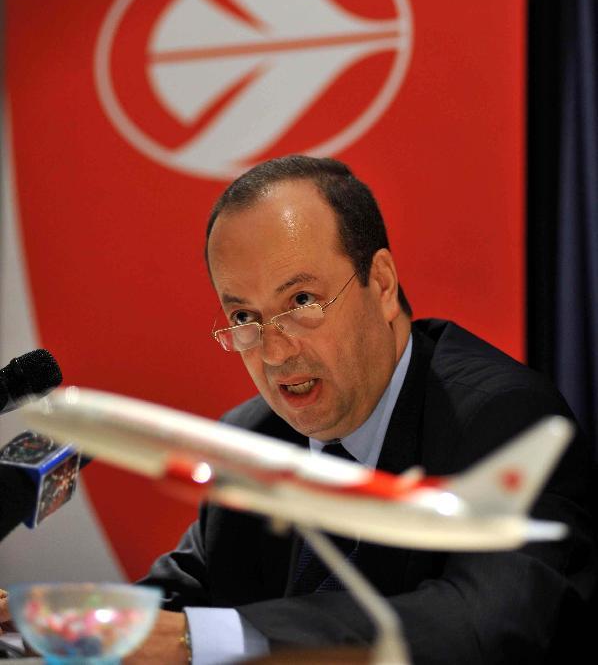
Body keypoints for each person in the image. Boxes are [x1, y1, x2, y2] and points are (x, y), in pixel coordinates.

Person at [2, 156, 596, 663]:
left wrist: (193, 642)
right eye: (243, 317)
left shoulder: (502, 417)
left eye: (302, 300)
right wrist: (47, 628)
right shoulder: (252, 435)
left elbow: (487, 621)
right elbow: (182, 603)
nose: (275, 351)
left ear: (382, 284)